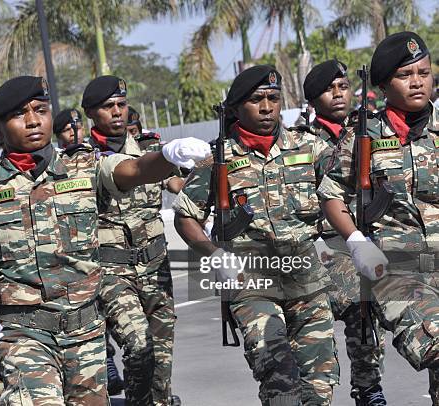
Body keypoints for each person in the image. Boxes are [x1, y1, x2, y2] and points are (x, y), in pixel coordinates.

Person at [0, 75, 210, 405]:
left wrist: (166, 156)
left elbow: (133, 170)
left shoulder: (83, 165)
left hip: (86, 332)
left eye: (41, 110)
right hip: (24, 335)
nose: (34, 121)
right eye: (20, 114)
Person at [173, 65, 339, 405]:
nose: (267, 108)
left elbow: (344, 190)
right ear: (235, 109)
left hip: (306, 280)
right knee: (279, 381)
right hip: (252, 283)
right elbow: (185, 216)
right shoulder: (217, 159)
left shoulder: (310, 148)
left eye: (274, 99)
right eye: (256, 100)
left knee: (319, 388)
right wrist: (214, 254)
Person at [318, 31, 439, 405]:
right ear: (385, 85)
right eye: (406, 75)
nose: (418, 81)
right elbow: (331, 194)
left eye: (424, 71)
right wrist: (355, 242)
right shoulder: (364, 134)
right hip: (394, 268)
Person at [83, 76, 180, 406]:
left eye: (121, 105)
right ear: (91, 114)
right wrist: (167, 159)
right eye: (107, 107)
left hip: (156, 268)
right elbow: (134, 171)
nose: (116, 112)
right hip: (113, 273)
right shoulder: (79, 160)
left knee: (161, 365)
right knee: (139, 346)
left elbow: (181, 185)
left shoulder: (152, 149)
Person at [302, 59, 387, 405]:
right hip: (319, 242)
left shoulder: (368, 132)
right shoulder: (301, 143)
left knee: (368, 307)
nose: (338, 94)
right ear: (312, 101)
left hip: (363, 236)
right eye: (328, 89)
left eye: (343, 86)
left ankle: (368, 386)